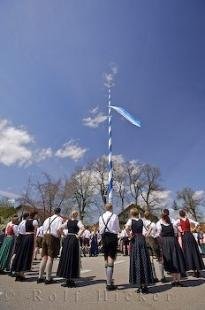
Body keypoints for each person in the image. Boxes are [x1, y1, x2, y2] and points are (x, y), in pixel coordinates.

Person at [126, 208, 154, 294]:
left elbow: (127, 228)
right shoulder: (142, 221)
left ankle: (140, 285)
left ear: (131, 213)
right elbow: (150, 227)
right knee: (144, 260)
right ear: (137, 213)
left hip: (135, 240)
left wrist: (129, 236)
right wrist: (146, 235)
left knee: (137, 260)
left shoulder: (130, 220)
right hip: (142, 239)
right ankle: (144, 285)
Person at [156, 209, 186, 287]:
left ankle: (174, 281)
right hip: (173, 241)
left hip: (166, 243)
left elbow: (158, 234)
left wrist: (161, 241)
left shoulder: (159, 223)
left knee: (171, 261)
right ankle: (178, 281)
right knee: (177, 259)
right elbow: (176, 232)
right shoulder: (173, 221)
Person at [57, 210, 85, 287]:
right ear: (77, 215)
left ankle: (67, 279)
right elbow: (83, 228)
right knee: (72, 257)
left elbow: (59, 228)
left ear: (71, 215)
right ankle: (71, 279)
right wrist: (78, 235)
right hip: (74, 239)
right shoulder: (78, 222)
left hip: (67, 239)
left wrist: (64, 235)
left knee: (66, 257)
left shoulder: (67, 222)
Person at [175, 210, 204, 277]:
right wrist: (193, 229)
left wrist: (180, 230)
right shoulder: (188, 219)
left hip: (185, 236)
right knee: (194, 251)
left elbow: (174, 225)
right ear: (185, 214)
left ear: (180, 215)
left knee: (188, 252)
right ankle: (197, 270)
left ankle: (193, 270)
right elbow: (197, 223)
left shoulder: (178, 221)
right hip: (190, 235)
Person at [37, 208, 63, 284]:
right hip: (52, 238)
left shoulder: (47, 219)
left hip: (45, 236)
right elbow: (59, 229)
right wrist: (60, 236)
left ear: (53, 212)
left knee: (44, 257)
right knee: (50, 258)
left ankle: (40, 277)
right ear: (59, 212)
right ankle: (48, 278)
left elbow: (43, 228)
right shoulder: (59, 219)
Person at [99, 203, 120, 291]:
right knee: (111, 257)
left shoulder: (101, 217)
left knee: (106, 258)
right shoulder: (115, 216)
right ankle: (109, 283)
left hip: (104, 237)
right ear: (111, 208)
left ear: (105, 208)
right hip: (112, 237)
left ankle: (108, 280)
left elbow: (100, 230)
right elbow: (118, 229)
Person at [12, 211, 38, 281]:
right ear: (34, 215)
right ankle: (21, 274)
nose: (37, 216)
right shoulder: (34, 221)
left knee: (22, 254)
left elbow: (21, 232)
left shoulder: (25, 221)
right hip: (30, 238)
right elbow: (36, 232)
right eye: (36, 215)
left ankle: (19, 273)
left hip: (24, 238)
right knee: (26, 255)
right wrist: (35, 241)